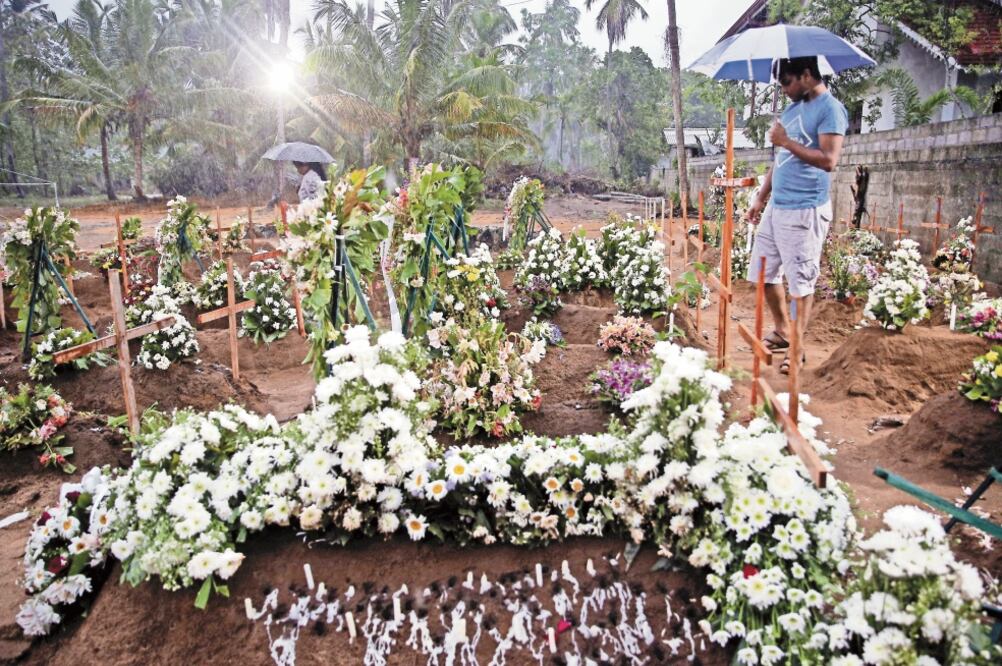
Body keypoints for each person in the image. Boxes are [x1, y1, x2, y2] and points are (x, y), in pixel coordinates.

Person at [746, 56, 848, 374]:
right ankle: (782, 330)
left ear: (806, 75)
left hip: (804, 208)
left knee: (800, 285)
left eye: (788, 82)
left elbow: (829, 160)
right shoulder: (791, 109)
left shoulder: (830, 108)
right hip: (778, 206)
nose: (785, 90)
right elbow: (780, 162)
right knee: (762, 274)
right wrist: (761, 198)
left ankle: (798, 350)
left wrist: (787, 141)